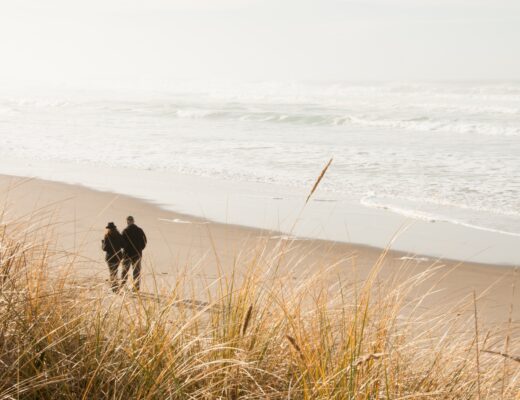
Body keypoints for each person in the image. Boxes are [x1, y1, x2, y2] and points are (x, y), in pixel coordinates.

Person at [121, 216, 147, 291]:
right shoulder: (139, 230)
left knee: (125, 271)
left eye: (128, 221)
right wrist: (140, 248)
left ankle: (123, 286)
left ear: (128, 222)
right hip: (137, 254)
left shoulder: (125, 231)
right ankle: (136, 287)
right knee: (136, 272)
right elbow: (144, 241)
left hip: (127, 254)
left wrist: (125, 248)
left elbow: (122, 243)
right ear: (133, 221)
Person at [102, 222, 124, 292]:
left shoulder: (107, 236)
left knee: (112, 272)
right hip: (118, 256)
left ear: (109, 229)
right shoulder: (119, 235)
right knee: (115, 271)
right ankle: (115, 286)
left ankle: (114, 287)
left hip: (110, 257)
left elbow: (105, 248)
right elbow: (123, 245)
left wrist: (103, 243)